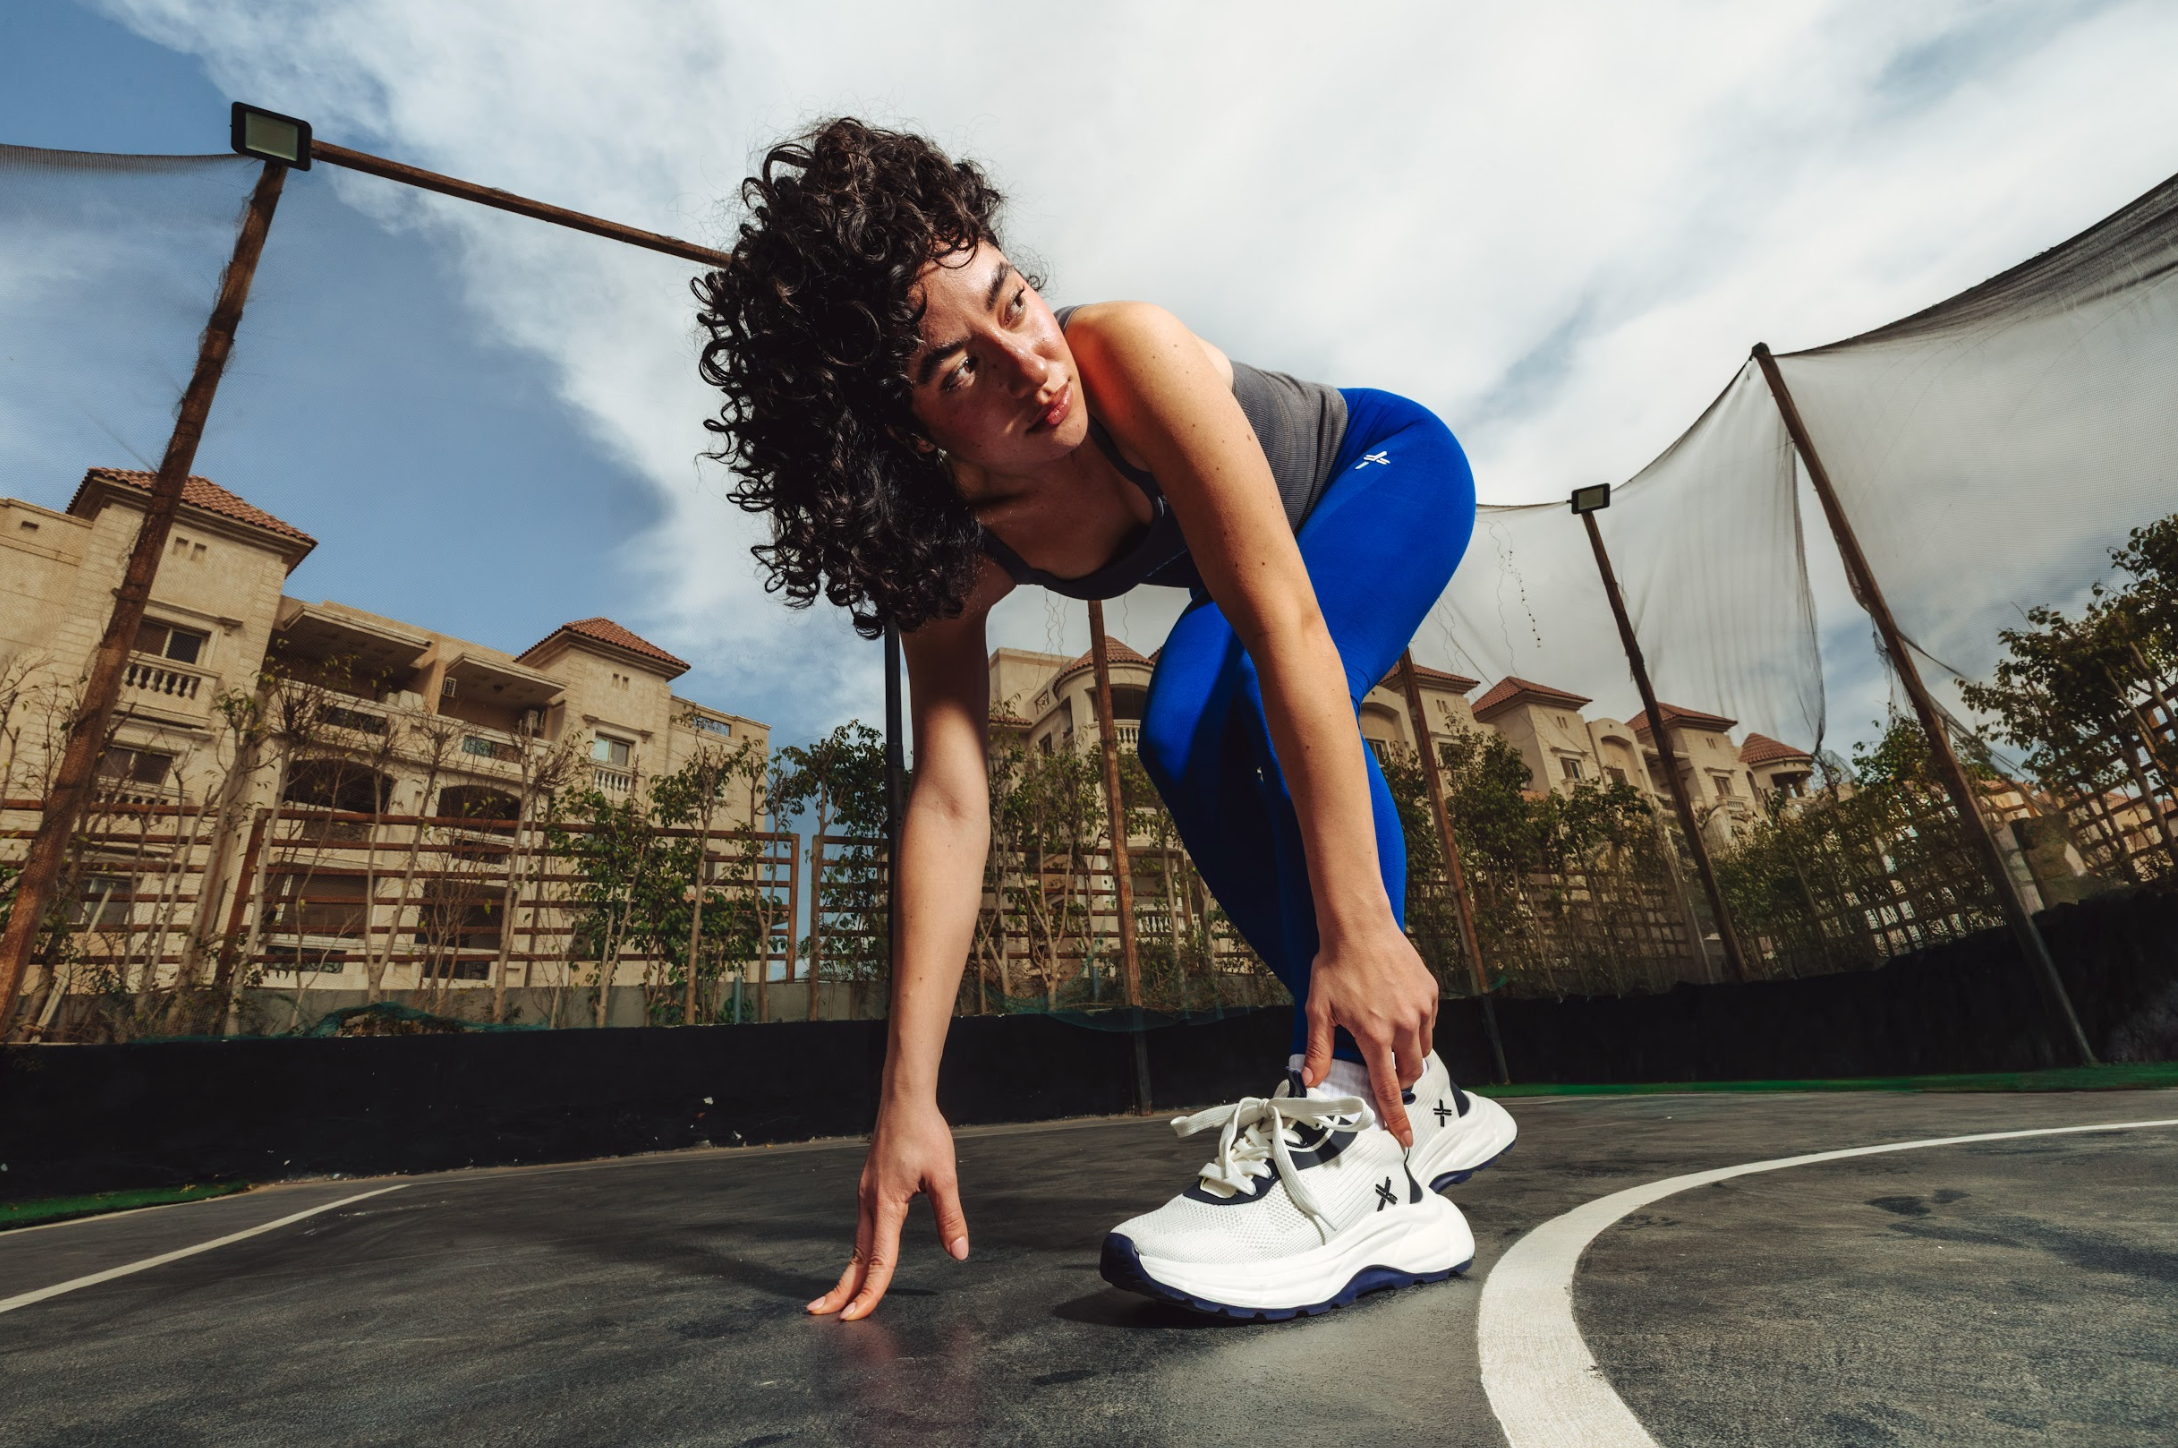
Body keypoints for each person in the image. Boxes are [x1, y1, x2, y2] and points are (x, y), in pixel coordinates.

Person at [695, 119, 1516, 1322]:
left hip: (1381, 471)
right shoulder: (945, 553)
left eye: (1014, 300)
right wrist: (907, 1096)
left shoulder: (1132, 355)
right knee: (1177, 736)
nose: (1031, 362)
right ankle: (1414, 1085)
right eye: (960, 371)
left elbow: (1288, 624)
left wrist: (1362, 933)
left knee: (1253, 697)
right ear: (896, 432)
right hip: (1257, 581)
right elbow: (951, 795)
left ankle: (1355, 1104)